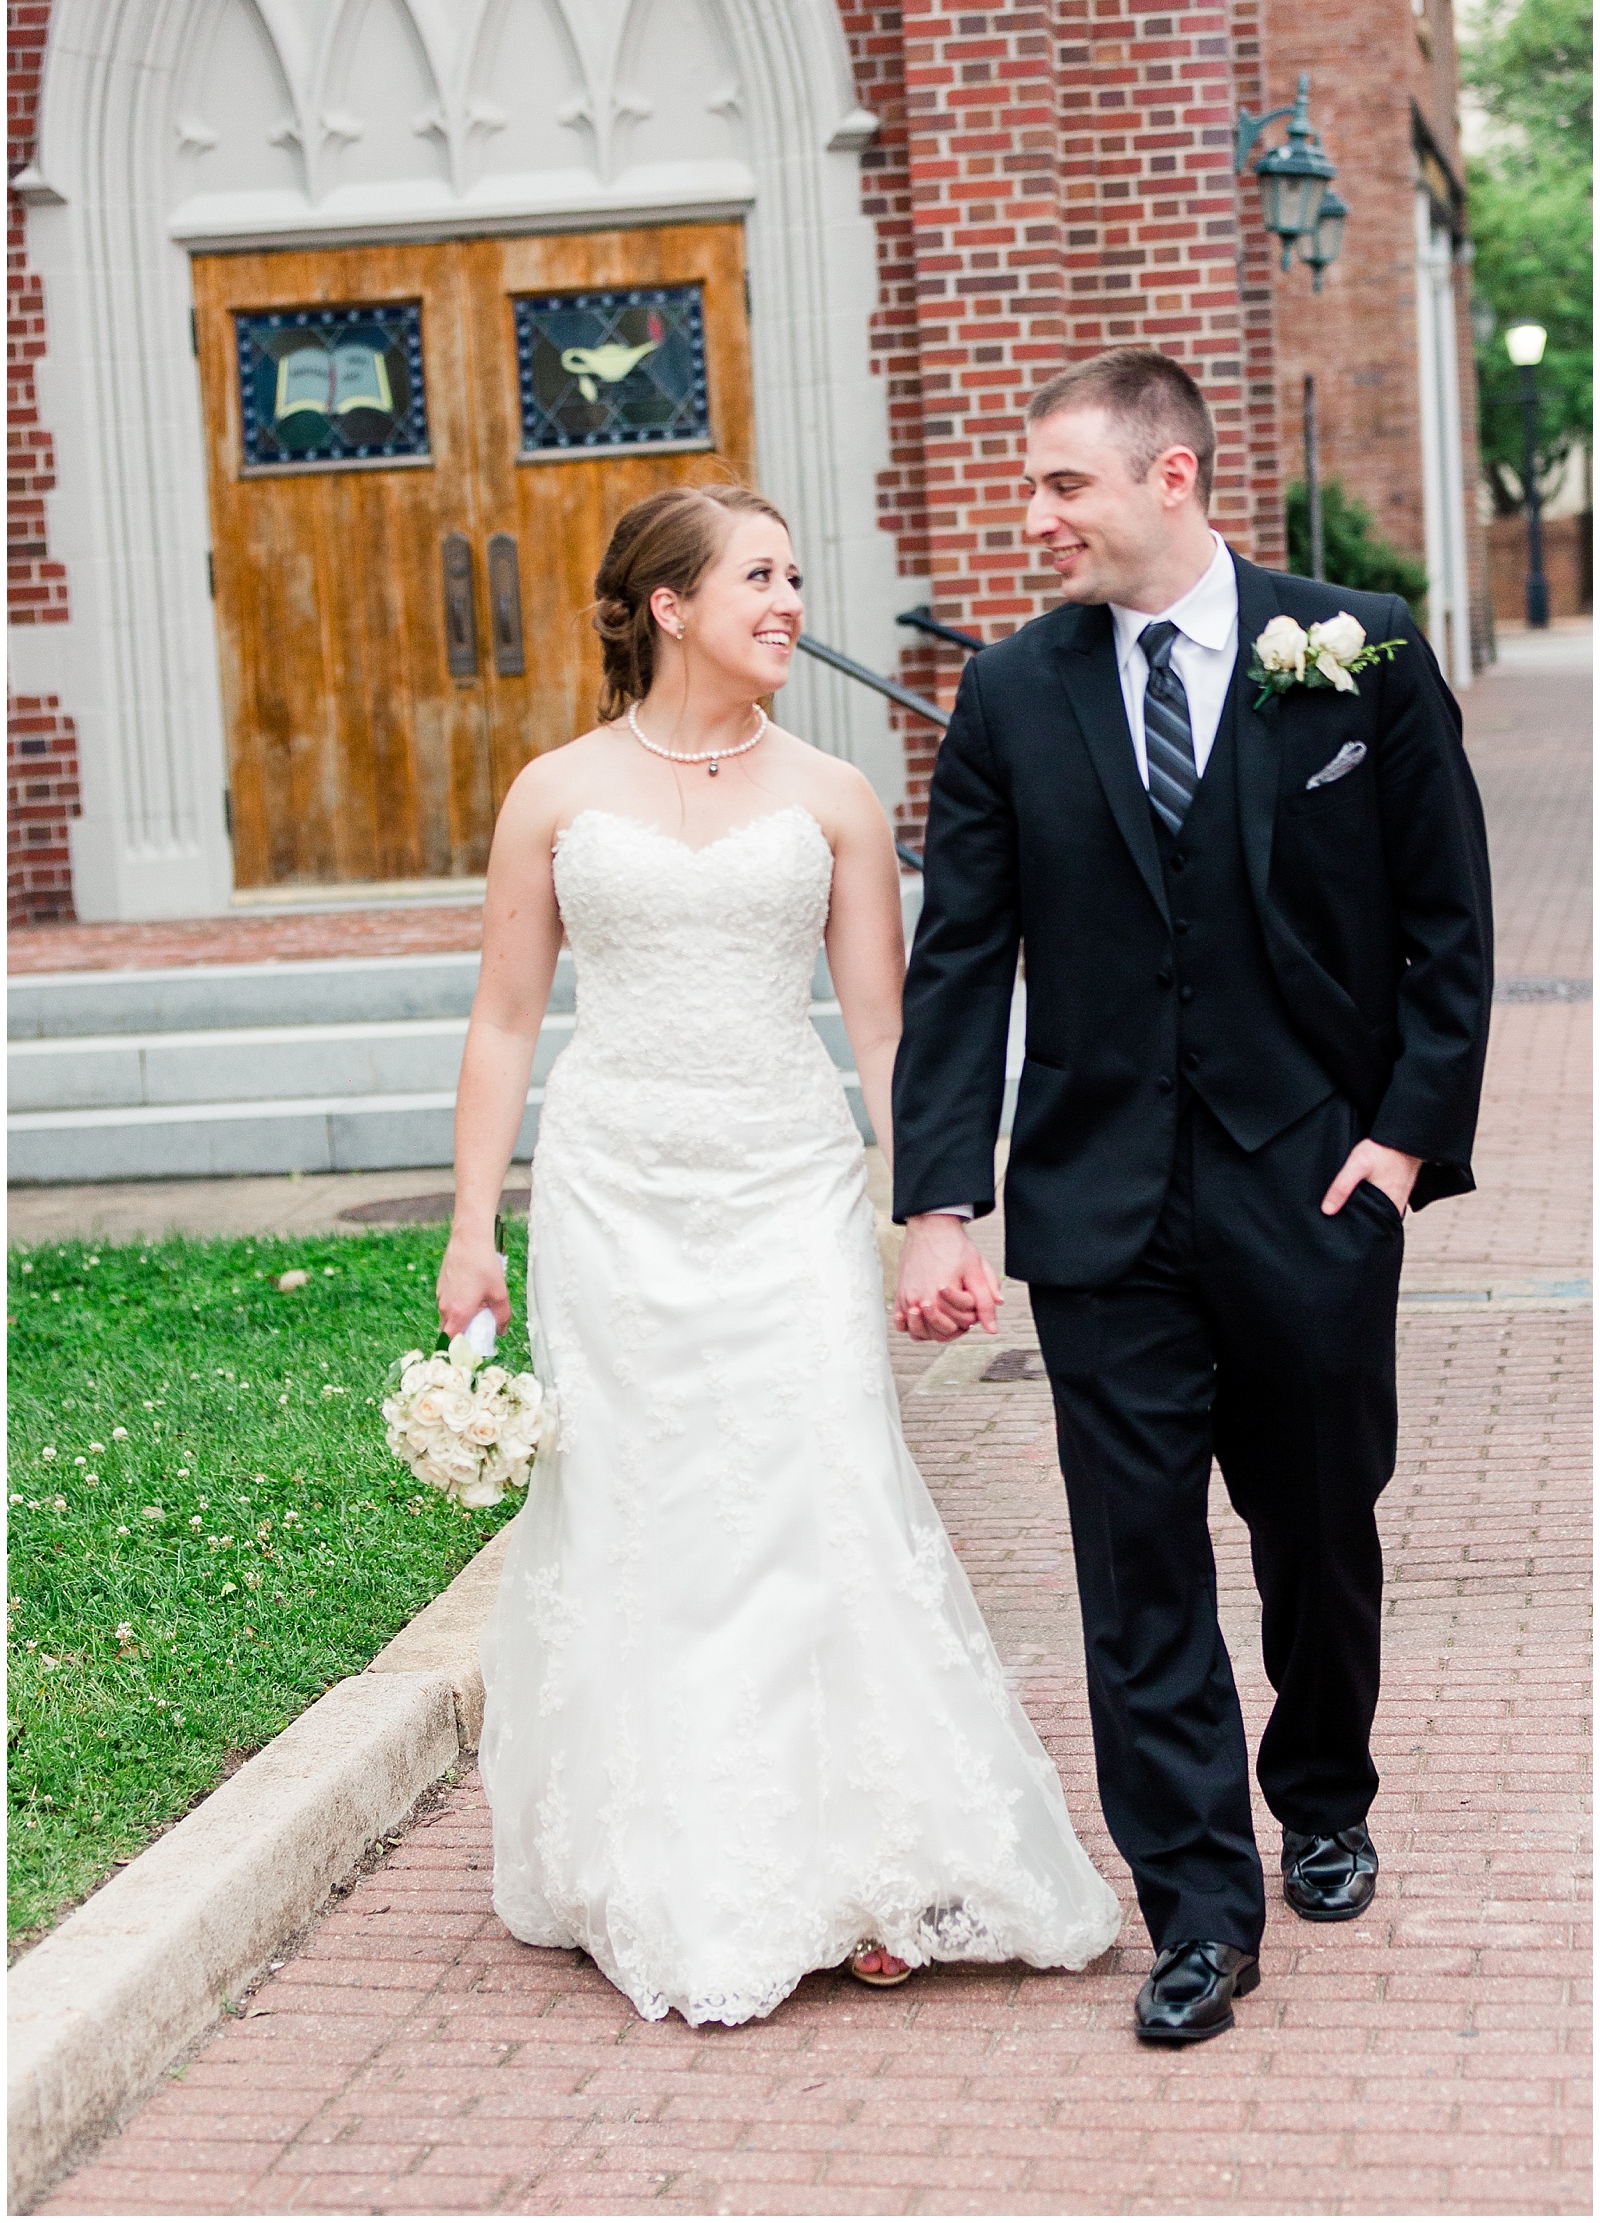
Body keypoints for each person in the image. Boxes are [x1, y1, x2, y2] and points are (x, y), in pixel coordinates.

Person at [441, 482, 1120, 2029]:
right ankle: (664, 1849)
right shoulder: (552, 791)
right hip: (612, 1193)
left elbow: (889, 1033)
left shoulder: (834, 796)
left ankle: (873, 1856)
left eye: (797, 576)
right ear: (668, 604)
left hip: (787, 1189)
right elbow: (501, 1021)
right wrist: (473, 1227)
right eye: (760, 577)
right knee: (645, 1513)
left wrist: (919, 1212)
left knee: (820, 1496)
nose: (792, 602)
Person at [892, 350, 1493, 2045]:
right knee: (1135, 1562)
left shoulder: (1352, 644)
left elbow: (1446, 912)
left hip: (1309, 1181)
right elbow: (963, 964)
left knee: (1317, 1518)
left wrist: (1399, 1144)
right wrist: (942, 1196)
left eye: (1061, 485)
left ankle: (1324, 1793)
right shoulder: (1015, 694)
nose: (1035, 518)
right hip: (1097, 1207)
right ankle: (1199, 1908)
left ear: (1170, 480)